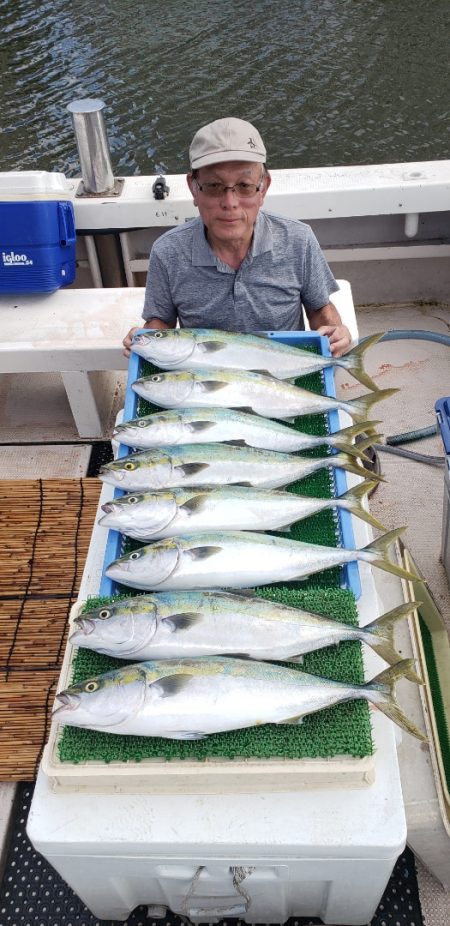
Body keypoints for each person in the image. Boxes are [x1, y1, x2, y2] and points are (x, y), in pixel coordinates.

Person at [123, 117, 351, 357]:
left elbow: (319, 309)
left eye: (244, 185)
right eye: (213, 186)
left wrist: (337, 332)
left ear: (263, 188)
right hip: (206, 375)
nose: (230, 203)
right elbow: (162, 322)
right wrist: (145, 337)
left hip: (285, 371)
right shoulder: (167, 252)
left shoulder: (299, 240)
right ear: (193, 188)